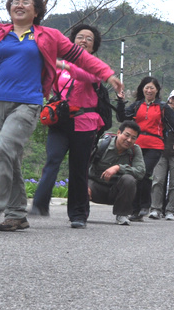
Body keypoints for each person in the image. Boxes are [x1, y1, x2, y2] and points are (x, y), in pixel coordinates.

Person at [0, 0, 123, 231]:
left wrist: (107, 74)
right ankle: (17, 214)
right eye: (15, 1)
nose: (19, 5)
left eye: (26, 2)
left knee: (3, 149)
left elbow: (80, 57)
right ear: (9, 8)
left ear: (36, 11)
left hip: (28, 102)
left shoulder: (48, 35)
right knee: (9, 157)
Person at [30, 24, 116, 228]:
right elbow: (47, 84)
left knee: (78, 170)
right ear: (72, 42)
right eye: (79, 37)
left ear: (94, 47)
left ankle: (78, 214)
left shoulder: (95, 66)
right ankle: (40, 203)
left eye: (89, 39)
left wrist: (66, 66)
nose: (83, 41)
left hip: (85, 124)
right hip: (61, 121)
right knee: (53, 160)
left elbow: (90, 76)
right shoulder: (60, 65)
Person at [116, 77, 174, 221]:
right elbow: (122, 117)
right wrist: (120, 101)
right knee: (135, 176)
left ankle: (143, 206)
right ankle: (137, 210)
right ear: (142, 89)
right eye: (146, 87)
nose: (149, 90)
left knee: (143, 173)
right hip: (136, 145)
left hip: (155, 146)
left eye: (152, 88)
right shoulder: (137, 105)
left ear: (157, 90)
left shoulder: (163, 107)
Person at [87, 121, 146, 225]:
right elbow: (82, 165)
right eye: (126, 135)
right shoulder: (101, 145)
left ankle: (122, 215)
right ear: (119, 132)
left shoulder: (135, 150)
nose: (129, 140)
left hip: (116, 192)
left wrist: (118, 168)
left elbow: (140, 172)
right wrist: (84, 185)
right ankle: (80, 212)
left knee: (129, 179)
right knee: (80, 184)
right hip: (94, 187)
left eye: (133, 138)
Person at [148, 89, 174, 221]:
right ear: (169, 99)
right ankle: (155, 208)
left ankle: (171, 210)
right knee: (158, 180)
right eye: (172, 99)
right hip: (161, 151)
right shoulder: (162, 113)